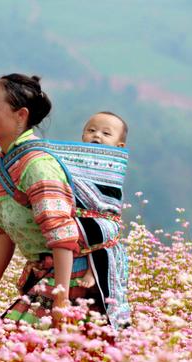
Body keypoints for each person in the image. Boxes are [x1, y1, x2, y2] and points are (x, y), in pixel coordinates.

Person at [0, 73, 129, 329]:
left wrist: (61, 298)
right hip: (45, 278)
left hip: (74, 284)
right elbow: (3, 232)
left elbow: (62, 236)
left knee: (18, 354)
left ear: (20, 115)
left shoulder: (38, 167)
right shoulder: (0, 164)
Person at [77, 111, 128, 288]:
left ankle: (94, 269)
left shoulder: (113, 171)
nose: (97, 135)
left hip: (101, 217)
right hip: (74, 216)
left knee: (104, 229)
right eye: (91, 130)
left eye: (106, 133)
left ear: (119, 146)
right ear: (82, 136)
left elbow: (110, 203)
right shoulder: (73, 162)